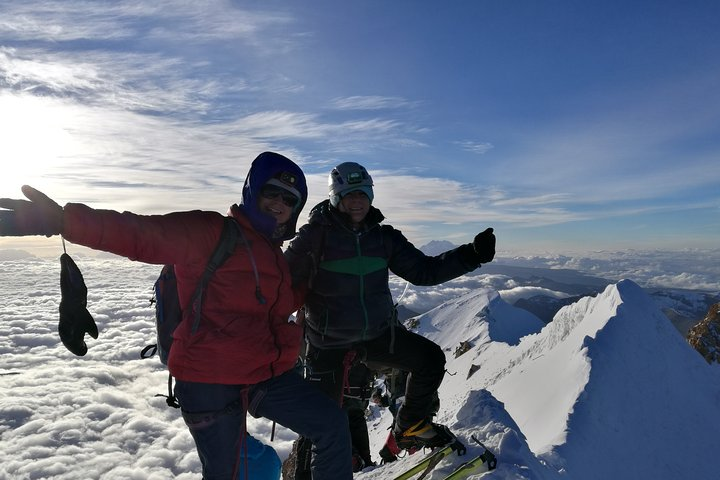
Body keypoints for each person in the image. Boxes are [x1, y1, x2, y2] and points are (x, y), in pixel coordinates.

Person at [0, 152, 352, 480]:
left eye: (290, 200)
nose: (279, 204)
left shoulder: (272, 254)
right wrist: (64, 220)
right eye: (271, 193)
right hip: (208, 381)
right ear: (252, 190)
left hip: (263, 374)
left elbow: (281, 302)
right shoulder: (210, 232)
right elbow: (140, 234)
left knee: (332, 425)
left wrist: (326, 278)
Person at [284, 161, 496, 468]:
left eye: (363, 193)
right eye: (349, 194)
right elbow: (282, 282)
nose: (357, 200)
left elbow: (423, 270)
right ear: (335, 197)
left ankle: (409, 426)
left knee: (430, 360)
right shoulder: (314, 237)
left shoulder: (383, 237)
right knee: (321, 425)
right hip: (327, 343)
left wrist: (471, 255)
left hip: (377, 335)